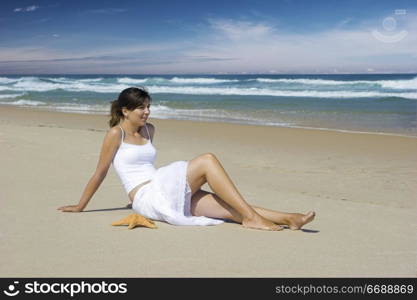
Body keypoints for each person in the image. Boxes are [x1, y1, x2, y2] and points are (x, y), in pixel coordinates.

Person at [58, 87, 315, 231]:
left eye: (149, 106)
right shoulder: (116, 133)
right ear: (125, 111)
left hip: (161, 186)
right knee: (207, 160)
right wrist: (80, 206)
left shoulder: (150, 130)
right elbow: (100, 172)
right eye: (141, 108)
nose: (147, 112)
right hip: (146, 197)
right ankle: (253, 219)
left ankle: (290, 218)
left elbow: (145, 165)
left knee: (229, 209)